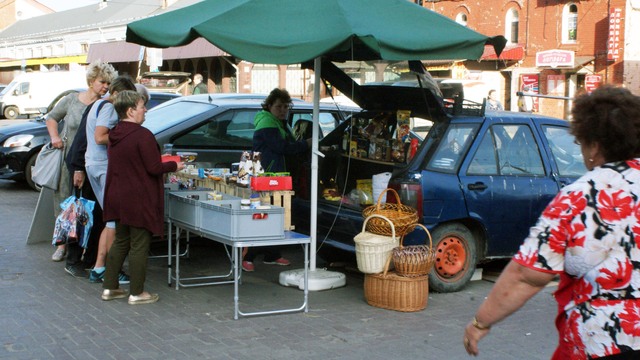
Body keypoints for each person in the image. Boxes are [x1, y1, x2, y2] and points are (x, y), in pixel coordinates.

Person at [463, 85, 640, 359]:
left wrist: (480, 322)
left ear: (593, 145)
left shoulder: (578, 197)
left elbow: (527, 276)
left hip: (602, 342)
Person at [100, 90, 184, 305]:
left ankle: (110, 288)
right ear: (130, 110)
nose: (145, 110)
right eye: (141, 106)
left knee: (121, 240)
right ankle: (137, 293)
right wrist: (174, 164)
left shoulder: (115, 133)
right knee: (139, 244)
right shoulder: (142, 134)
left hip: (117, 195)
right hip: (138, 197)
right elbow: (153, 167)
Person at [46, 61, 117, 278]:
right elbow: (52, 117)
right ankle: (65, 247)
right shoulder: (73, 100)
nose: (105, 86)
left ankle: (84, 254)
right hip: (74, 159)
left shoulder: (103, 105)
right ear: (91, 81)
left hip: (89, 162)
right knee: (71, 206)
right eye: (102, 82)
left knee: (87, 210)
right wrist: (55, 137)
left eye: (108, 83)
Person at [242, 88, 310, 272]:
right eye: (279, 106)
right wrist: (305, 144)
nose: (283, 110)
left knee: (276, 216)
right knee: (263, 216)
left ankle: (272, 254)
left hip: (278, 176)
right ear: (269, 106)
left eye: (286, 107)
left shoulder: (279, 122)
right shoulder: (267, 123)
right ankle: (248, 255)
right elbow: (281, 147)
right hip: (267, 176)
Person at [84, 76, 137, 284]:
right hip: (102, 165)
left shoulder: (97, 104)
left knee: (109, 219)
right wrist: (125, 137)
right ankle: (110, 269)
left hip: (94, 163)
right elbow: (100, 136)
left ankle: (99, 266)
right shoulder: (108, 107)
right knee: (114, 219)